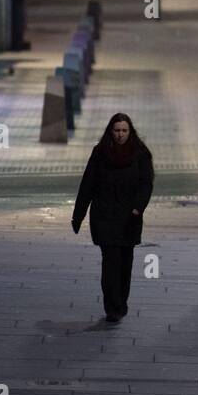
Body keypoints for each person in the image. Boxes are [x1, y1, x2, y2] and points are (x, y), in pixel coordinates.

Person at [72, 114, 155, 323]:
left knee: (125, 263)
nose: (120, 135)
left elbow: (146, 184)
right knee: (111, 263)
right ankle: (112, 307)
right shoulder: (100, 153)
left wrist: (138, 207)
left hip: (129, 218)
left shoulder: (140, 154)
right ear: (111, 131)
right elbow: (88, 185)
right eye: (117, 130)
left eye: (124, 131)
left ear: (130, 131)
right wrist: (78, 216)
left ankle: (121, 302)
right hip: (105, 216)